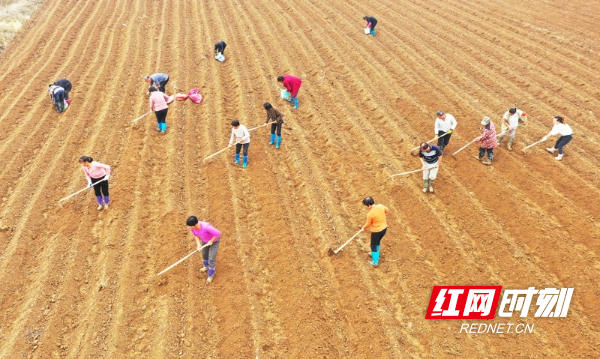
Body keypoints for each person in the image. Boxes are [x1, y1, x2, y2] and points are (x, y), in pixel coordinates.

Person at [186, 216, 221, 284]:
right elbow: (195, 236)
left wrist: (211, 241)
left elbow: (218, 233)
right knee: (204, 254)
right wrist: (198, 245)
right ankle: (206, 266)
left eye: (190, 226)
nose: (190, 228)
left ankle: (210, 275)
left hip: (214, 241)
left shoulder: (206, 227)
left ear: (195, 224)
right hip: (205, 241)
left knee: (211, 258)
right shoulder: (193, 228)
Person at [361, 197, 389, 267]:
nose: (365, 207)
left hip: (376, 231)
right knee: (377, 242)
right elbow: (387, 210)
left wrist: (363, 228)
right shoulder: (380, 206)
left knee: (373, 245)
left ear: (369, 205)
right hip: (384, 229)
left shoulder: (370, 214)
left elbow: (368, 224)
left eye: (365, 205)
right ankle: (375, 253)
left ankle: (375, 262)